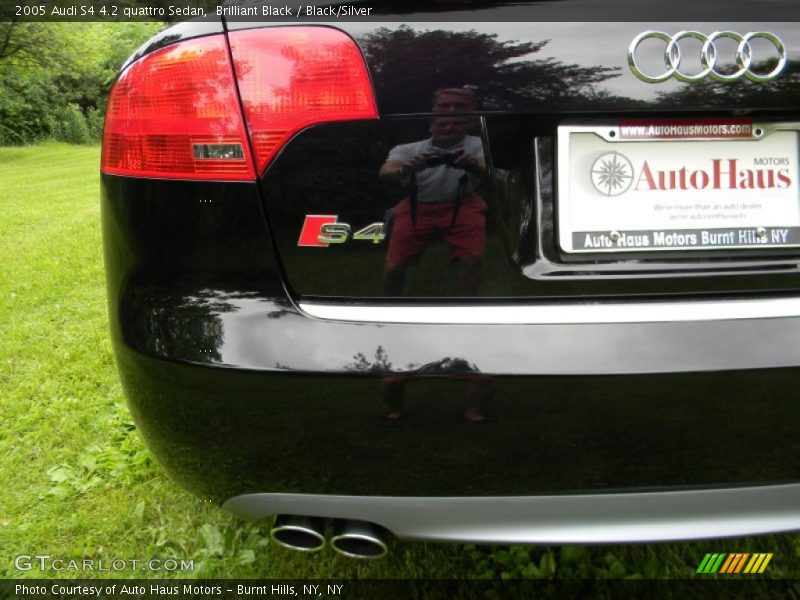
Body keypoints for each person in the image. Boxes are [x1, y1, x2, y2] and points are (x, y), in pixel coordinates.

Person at [379, 115, 487, 295]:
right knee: (394, 267)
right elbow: (385, 172)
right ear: (431, 127)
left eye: (457, 122)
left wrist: (472, 165)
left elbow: (490, 169)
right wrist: (405, 169)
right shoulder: (410, 149)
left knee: (473, 259)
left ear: (466, 126)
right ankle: (390, 307)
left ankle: (462, 308)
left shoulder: (477, 144)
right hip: (416, 205)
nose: (449, 126)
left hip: (463, 203)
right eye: (443, 123)